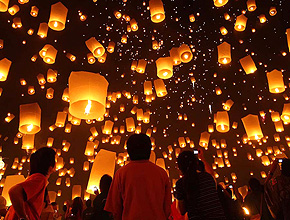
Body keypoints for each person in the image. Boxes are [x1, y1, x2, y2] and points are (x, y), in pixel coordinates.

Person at [104, 133, 171, 220]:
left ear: (129, 150)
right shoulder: (162, 173)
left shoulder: (121, 174)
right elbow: (167, 209)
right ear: (149, 150)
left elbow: (115, 209)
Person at [5, 147, 56, 220]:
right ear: (49, 164)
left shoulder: (34, 178)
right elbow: (14, 191)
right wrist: (23, 217)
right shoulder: (40, 178)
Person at [175, 150, 226, 219]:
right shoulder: (208, 177)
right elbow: (211, 174)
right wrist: (202, 158)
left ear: (179, 167)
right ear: (196, 163)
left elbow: (181, 210)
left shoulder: (181, 184)